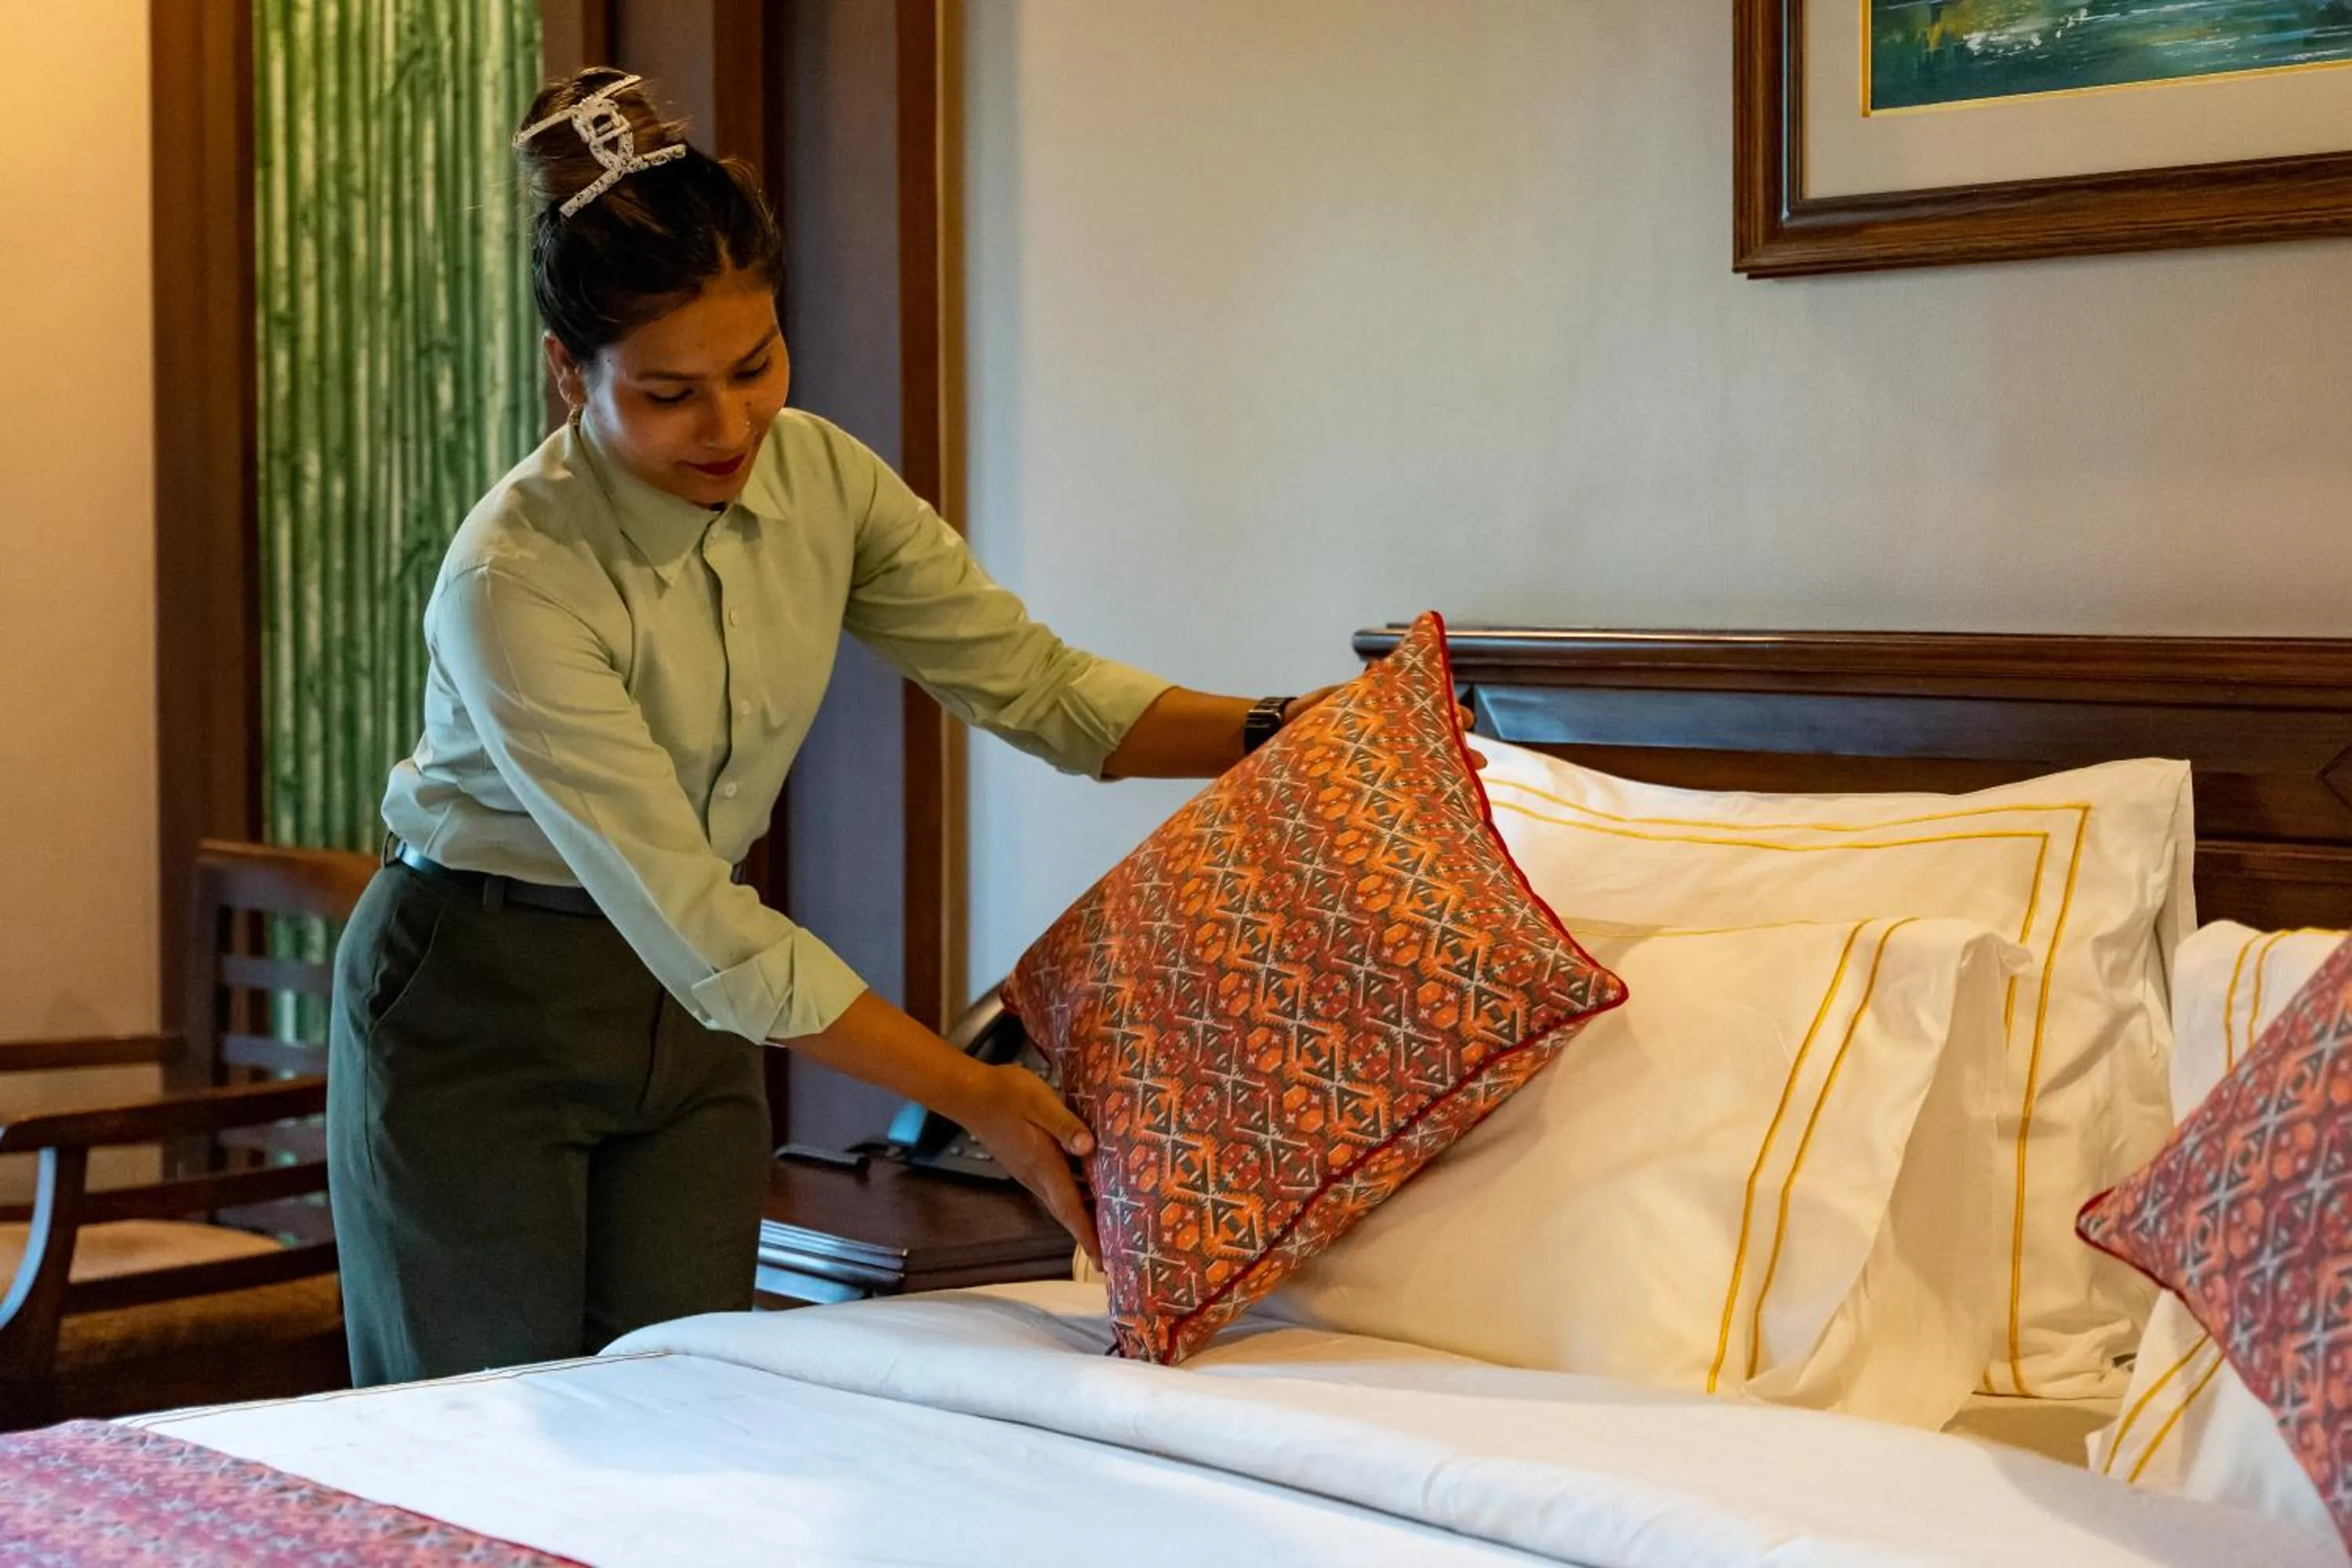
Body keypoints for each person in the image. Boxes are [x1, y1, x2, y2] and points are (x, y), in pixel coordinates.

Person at [327, 68, 1329, 1387]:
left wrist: (1285, 730)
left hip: (687, 1028)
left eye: (755, 367)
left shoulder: (823, 481)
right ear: (571, 373)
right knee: (475, 1441)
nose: (730, 423)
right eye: (670, 393)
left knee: (685, 1414)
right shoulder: (514, 581)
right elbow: (706, 927)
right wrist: (977, 1092)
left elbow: (1037, 687)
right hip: (480, 1001)